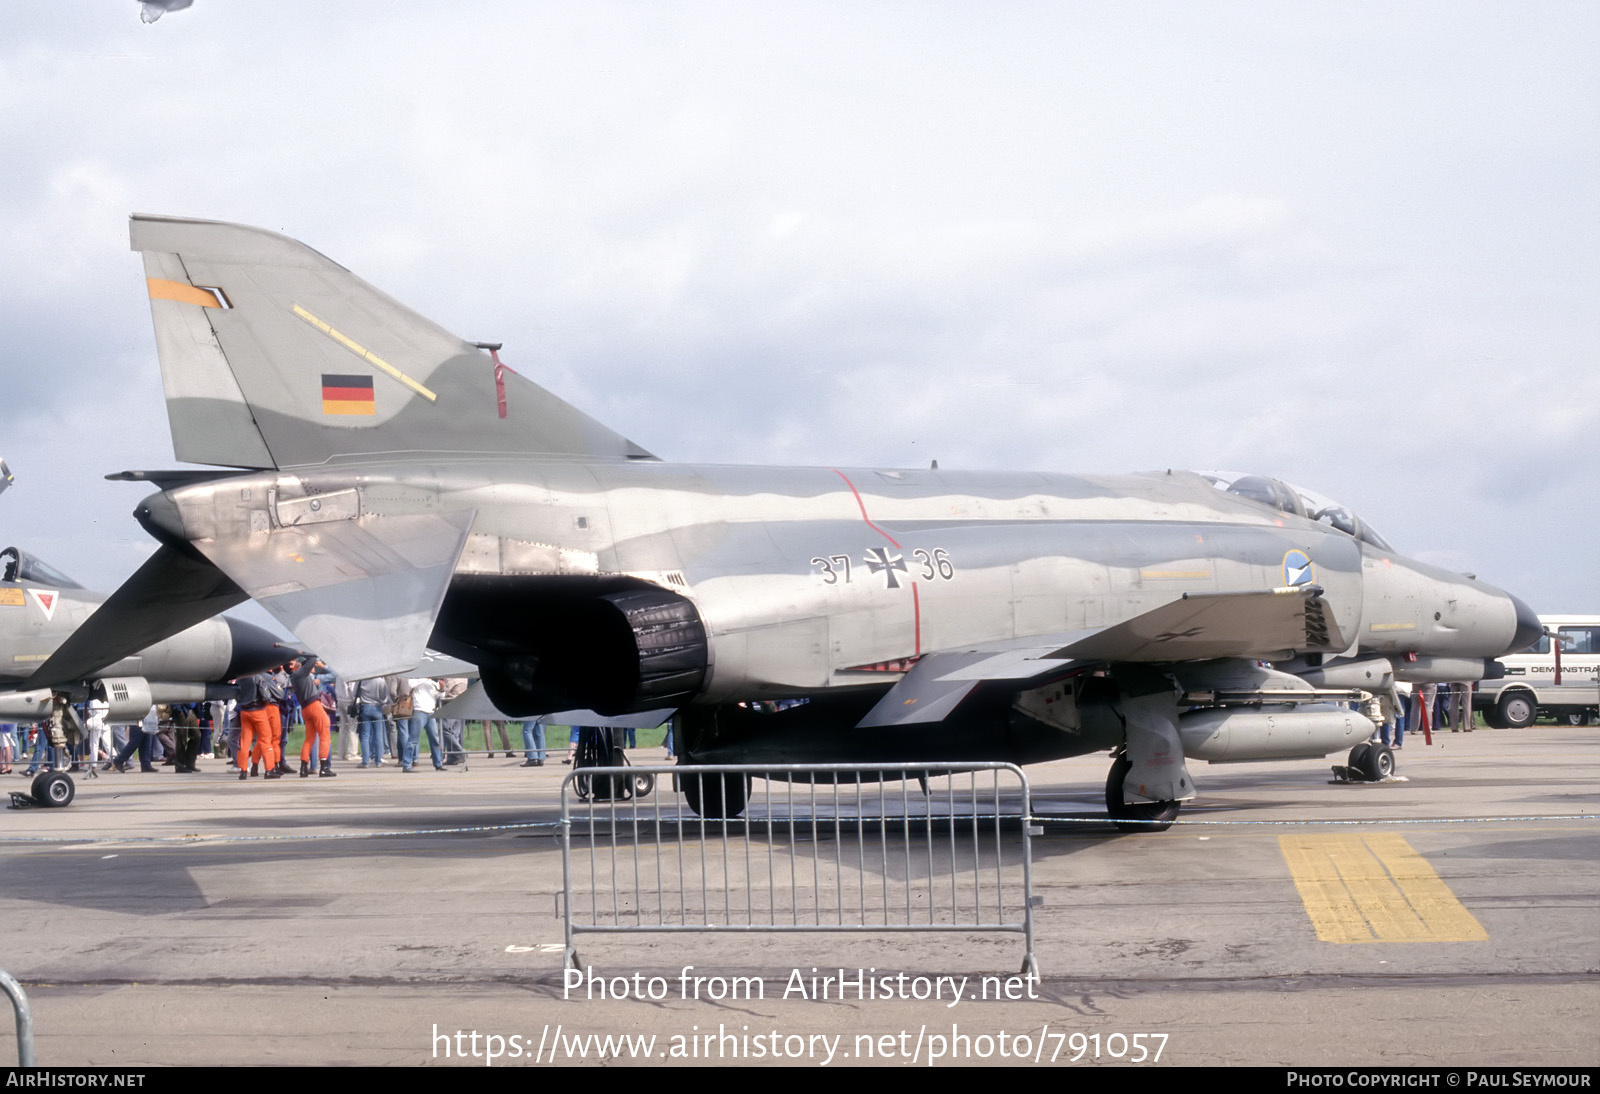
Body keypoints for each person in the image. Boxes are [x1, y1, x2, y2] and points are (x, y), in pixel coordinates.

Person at [293, 658, 336, 777]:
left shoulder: (294, 677)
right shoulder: (303, 674)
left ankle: (303, 767)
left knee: (309, 739)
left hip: (305, 708)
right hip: (314, 705)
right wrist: (314, 656)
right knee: (325, 736)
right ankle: (324, 768)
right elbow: (312, 660)